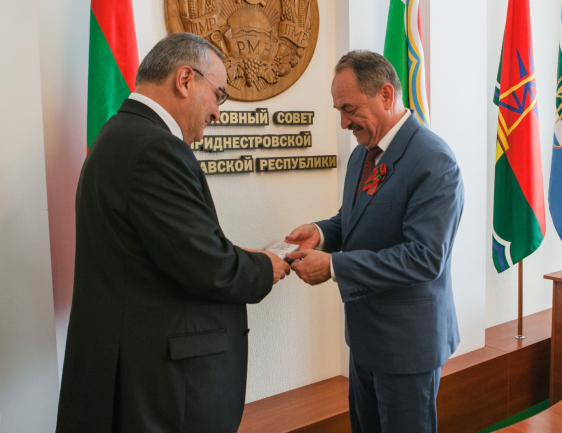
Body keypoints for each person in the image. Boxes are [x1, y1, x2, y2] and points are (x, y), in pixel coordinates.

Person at [56, 32, 289, 433]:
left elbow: (172, 250)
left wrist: (235, 255)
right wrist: (267, 266)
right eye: (218, 95)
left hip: (135, 373)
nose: (218, 113)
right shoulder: (156, 149)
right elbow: (209, 267)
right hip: (162, 391)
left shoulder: (119, 134)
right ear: (184, 80)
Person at [285, 50, 464, 433]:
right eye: (339, 110)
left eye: (349, 109)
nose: (343, 122)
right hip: (365, 338)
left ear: (385, 95)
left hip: (407, 346)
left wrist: (333, 266)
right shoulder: (362, 155)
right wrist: (322, 232)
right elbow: (357, 219)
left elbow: (424, 257)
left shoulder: (434, 161)